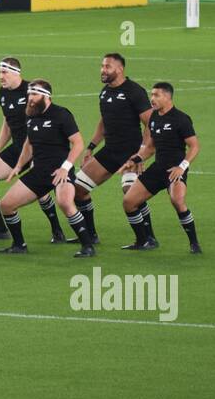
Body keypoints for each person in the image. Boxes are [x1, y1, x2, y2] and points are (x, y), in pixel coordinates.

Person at [0, 57, 68, 244]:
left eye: (5, 72)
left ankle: (57, 230)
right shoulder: (3, 92)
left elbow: (46, 122)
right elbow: (7, 124)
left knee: (41, 193)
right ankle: (0, 228)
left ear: (17, 73)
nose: (1, 76)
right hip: (16, 148)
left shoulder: (32, 93)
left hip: (36, 149)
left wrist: (36, 155)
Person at [0, 80, 96, 256]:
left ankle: (88, 246)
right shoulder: (31, 115)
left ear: (46, 96)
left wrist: (66, 168)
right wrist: (19, 165)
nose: (30, 99)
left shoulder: (61, 114)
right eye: (29, 94)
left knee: (65, 202)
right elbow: (28, 144)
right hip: (39, 173)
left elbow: (78, 143)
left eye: (34, 95)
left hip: (60, 172)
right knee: (6, 205)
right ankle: (19, 245)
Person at [73, 52, 158, 250]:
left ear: (120, 69)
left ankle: (147, 238)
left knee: (132, 195)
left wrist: (142, 152)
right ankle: (90, 235)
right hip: (110, 151)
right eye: (102, 66)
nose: (103, 70)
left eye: (108, 67)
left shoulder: (134, 91)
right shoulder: (104, 92)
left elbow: (150, 123)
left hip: (130, 153)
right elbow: (104, 122)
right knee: (78, 189)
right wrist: (91, 147)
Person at [120, 82, 202, 253]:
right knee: (129, 202)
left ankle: (194, 243)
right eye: (152, 95)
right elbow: (150, 148)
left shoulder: (181, 119)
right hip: (158, 169)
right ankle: (143, 241)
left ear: (167, 97)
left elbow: (194, 146)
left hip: (175, 170)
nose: (152, 98)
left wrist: (182, 167)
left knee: (177, 201)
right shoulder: (154, 118)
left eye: (156, 95)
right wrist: (134, 160)